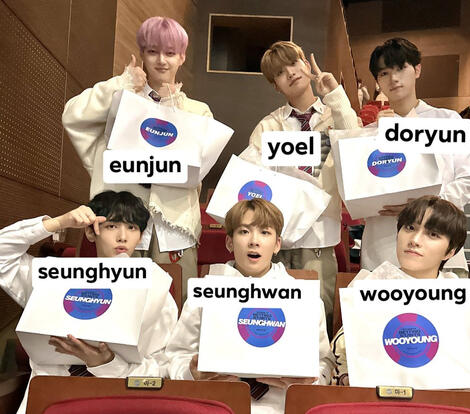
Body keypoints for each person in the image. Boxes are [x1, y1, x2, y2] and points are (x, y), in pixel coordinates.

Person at [62, 17, 212, 302]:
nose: (161, 60)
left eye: (170, 53)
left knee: (174, 302)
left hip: (174, 221)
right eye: (153, 51)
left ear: (182, 56)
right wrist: (122, 83)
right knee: (119, 302)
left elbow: (199, 168)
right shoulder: (121, 99)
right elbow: (73, 115)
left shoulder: (198, 111)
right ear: (142, 53)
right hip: (121, 218)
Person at [0, 191, 178, 413]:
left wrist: (107, 363)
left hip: (116, 398)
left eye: (132, 228)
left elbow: (161, 372)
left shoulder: (156, 290)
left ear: (140, 236)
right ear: (91, 232)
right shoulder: (54, 277)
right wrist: (58, 223)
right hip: (49, 394)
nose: (123, 237)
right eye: (112, 226)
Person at [331, 196, 470, 409]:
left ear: (450, 251)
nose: (415, 240)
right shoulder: (365, 301)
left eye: (433, 234)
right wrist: (351, 378)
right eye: (410, 228)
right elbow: (336, 365)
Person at [165, 199, 334, 414]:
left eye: (265, 232)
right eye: (244, 232)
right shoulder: (206, 293)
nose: (254, 241)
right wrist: (191, 374)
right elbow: (177, 355)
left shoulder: (304, 299)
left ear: (277, 244)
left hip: (283, 405)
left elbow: (324, 362)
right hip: (217, 404)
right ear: (229, 242)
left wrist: (309, 381)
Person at [240, 41, 359, 334]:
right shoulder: (269, 126)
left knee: (319, 320)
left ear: (306, 64)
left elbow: (355, 148)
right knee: (277, 319)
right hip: (276, 240)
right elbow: (249, 178)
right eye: (280, 73)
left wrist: (334, 94)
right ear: (275, 85)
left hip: (319, 237)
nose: (291, 73)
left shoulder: (335, 115)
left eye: (294, 63)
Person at [361, 37, 470, 276]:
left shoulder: (447, 121)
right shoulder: (368, 134)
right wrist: (376, 136)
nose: (393, 78)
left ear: (417, 69)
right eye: (384, 73)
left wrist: (423, 205)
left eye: (400, 68)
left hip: (438, 243)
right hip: (381, 248)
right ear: (377, 81)